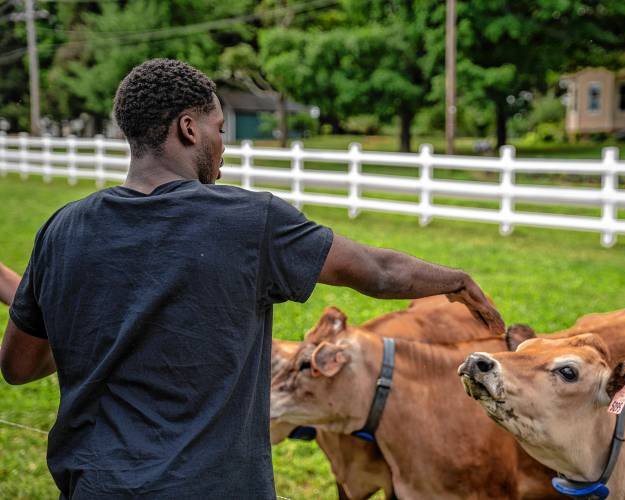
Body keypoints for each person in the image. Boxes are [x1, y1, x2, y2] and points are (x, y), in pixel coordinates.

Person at [0, 59, 504, 499]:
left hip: (96, 487)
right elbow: (377, 271)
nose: (225, 145)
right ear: (189, 128)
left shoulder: (63, 229)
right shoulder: (249, 221)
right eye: (220, 128)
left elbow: (18, 366)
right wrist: (454, 280)